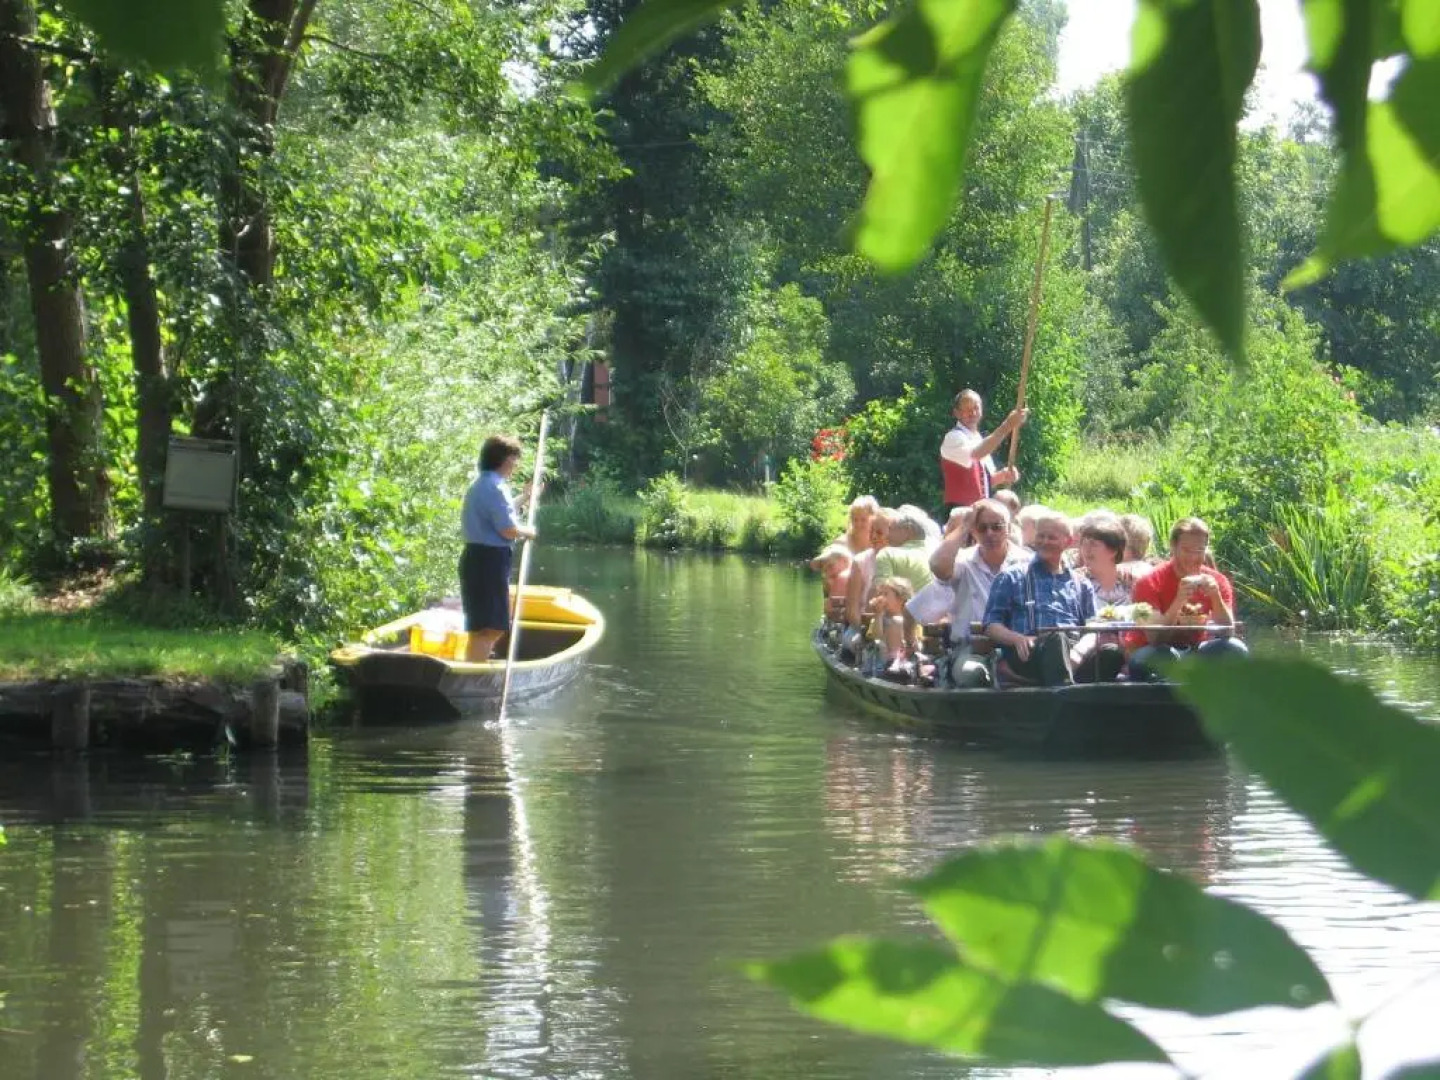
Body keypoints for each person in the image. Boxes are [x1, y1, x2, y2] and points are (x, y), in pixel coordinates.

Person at [1123, 516, 1249, 680]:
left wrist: (1215, 597)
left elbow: (1227, 632)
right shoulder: (1148, 582)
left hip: (1196, 650)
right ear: (1173, 547)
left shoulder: (1217, 581)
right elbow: (1155, 638)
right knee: (1159, 657)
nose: (1193, 557)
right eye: (1186, 550)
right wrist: (1179, 600)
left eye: (1199, 551)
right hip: (1153, 649)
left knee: (1235, 648)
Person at [983, 509, 1097, 686]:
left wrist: (1079, 653)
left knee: (1111, 654)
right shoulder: (1011, 576)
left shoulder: (1081, 583)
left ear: (1068, 542)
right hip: (1029, 652)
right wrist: (1016, 638)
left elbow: (1093, 628)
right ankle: (1065, 697)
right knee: (1056, 639)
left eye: (1051, 537)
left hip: (1073, 651)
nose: (1044, 542)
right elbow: (991, 624)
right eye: (1041, 536)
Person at [459, 434, 537, 663]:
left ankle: (473, 666)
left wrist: (525, 497)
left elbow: (501, 512)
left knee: (480, 627)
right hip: (489, 560)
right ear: (505, 460)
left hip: (476, 558)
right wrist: (528, 532)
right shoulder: (495, 487)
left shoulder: (482, 484)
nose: (516, 465)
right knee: (492, 627)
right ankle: (475, 671)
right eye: (515, 459)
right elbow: (507, 529)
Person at [939, 389, 1027, 512]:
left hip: (979, 511)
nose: (973, 412)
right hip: (961, 511)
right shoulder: (953, 437)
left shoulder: (977, 438)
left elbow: (985, 482)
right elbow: (976, 454)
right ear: (957, 413)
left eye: (976, 407)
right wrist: (1008, 425)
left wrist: (1003, 476)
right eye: (967, 409)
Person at [810, 542, 853, 622]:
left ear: (845, 560)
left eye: (830, 566)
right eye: (825, 570)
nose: (828, 574)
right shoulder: (830, 583)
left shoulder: (847, 576)